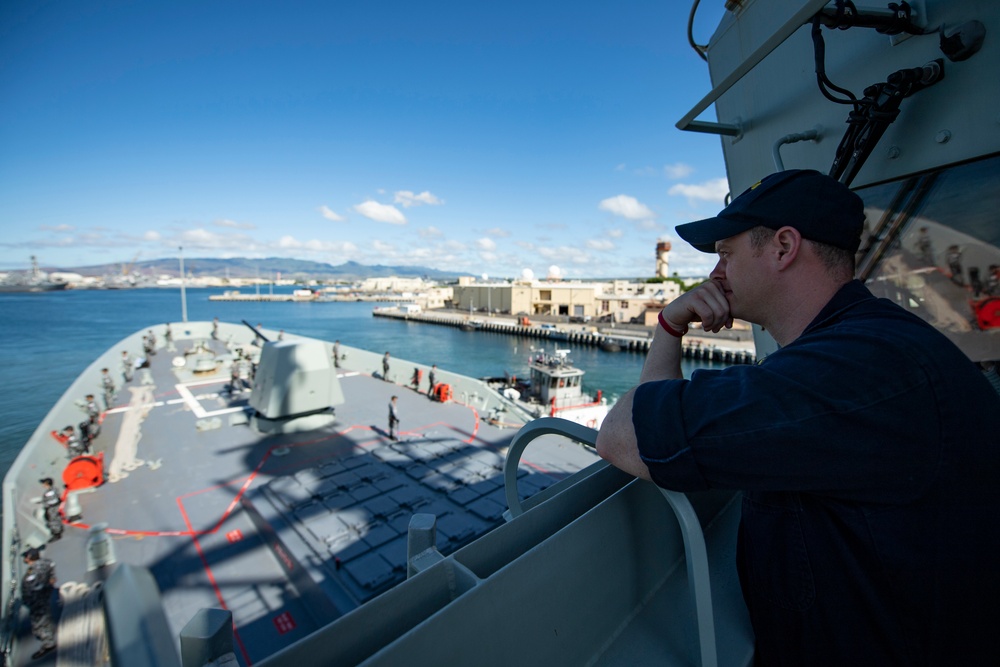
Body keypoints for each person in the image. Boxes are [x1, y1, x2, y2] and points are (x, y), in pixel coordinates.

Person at [594, 170, 1000, 666]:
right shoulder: (875, 343)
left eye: (726, 253)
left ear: (784, 247)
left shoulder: (853, 370)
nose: (714, 274)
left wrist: (667, 327)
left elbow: (622, 435)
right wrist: (668, 328)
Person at [20, 548, 57, 660]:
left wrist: (27, 601)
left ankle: (48, 644)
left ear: (29, 558)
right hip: (46, 595)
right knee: (46, 615)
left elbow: (28, 590)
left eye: (26, 557)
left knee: (38, 623)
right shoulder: (48, 562)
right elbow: (52, 577)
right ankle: (50, 630)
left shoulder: (30, 575)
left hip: (37, 600)